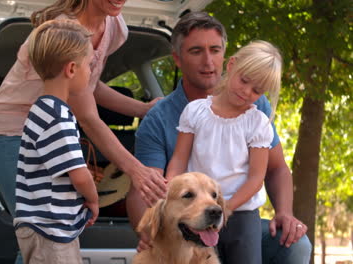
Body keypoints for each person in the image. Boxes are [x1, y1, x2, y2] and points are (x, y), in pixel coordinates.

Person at [131, 11, 312, 264]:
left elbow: (276, 169)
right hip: (187, 222)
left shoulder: (256, 108)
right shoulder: (164, 118)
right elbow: (150, 186)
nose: (208, 61)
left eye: (215, 50)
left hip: (240, 213)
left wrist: (284, 212)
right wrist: (150, 230)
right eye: (196, 51)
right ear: (177, 59)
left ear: (225, 56)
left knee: (295, 244)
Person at [0, 0, 166, 219]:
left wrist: (143, 109)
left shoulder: (114, 28)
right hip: (14, 132)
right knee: (41, 226)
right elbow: (88, 117)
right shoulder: (64, 30)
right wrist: (136, 170)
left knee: (54, 228)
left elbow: (89, 84)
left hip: (52, 131)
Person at [166, 40, 281, 263]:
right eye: (244, 80)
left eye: (257, 90)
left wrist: (226, 207)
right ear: (231, 66)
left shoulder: (258, 124)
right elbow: (179, 159)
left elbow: (256, 178)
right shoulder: (195, 111)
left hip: (241, 215)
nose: (246, 91)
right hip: (196, 210)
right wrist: (170, 186)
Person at [13, 20, 98, 264]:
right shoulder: (57, 117)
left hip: (40, 226)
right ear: (71, 69)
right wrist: (92, 199)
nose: (91, 71)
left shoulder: (41, 110)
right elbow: (79, 175)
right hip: (51, 229)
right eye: (89, 65)